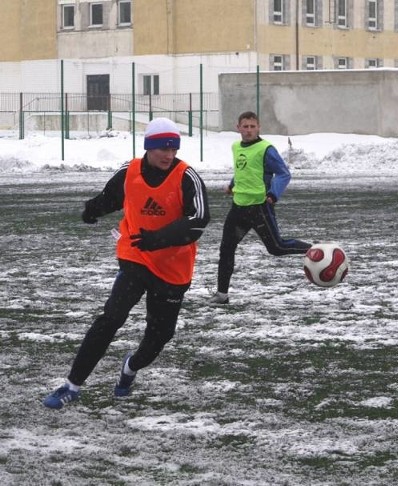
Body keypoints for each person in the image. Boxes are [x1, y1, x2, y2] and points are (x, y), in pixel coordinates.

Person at [43, 117, 210, 409]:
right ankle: (71, 386)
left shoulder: (187, 177)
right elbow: (112, 197)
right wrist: (92, 210)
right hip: (136, 258)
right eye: (162, 149)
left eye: (173, 149)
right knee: (111, 317)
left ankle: (130, 367)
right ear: (148, 147)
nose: (168, 155)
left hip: (172, 269)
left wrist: (157, 238)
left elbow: (199, 221)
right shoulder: (130, 171)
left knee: (158, 339)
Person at [211, 111, 311, 304]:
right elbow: (243, 170)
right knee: (226, 249)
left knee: (277, 248)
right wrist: (232, 185)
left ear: (258, 128)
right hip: (238, 207)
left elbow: (283, 174)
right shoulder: (236, 146)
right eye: (245, 126)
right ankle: (222, 294)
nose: (248, 130)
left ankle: (316, 250)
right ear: (238, 127)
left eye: (252, 126)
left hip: (259, 208)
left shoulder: (266, 149)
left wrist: (273, 194)